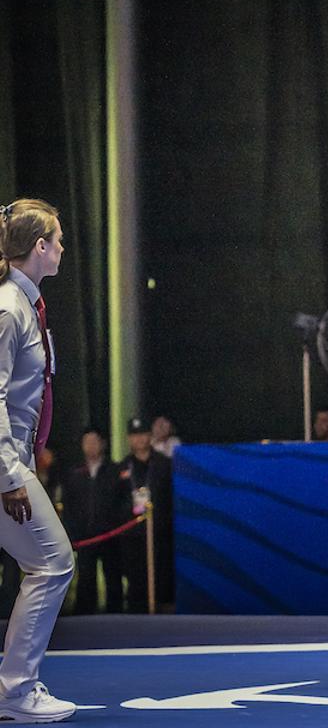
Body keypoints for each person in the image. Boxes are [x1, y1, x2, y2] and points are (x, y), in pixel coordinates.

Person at [0, 198, 76, 721]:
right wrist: (9, 475)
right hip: (5, 465)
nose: (63, 248)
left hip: (16, 456)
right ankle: (15, 692)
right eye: (57, 240)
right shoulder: (8, 309)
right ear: (38, 247)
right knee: (52, 563)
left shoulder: (27, 305)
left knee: (46, 564)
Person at [61, 427, 124, 614]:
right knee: (86, 576)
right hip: (85, 535)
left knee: (113, 575)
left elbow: (121, 501)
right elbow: (68, 504)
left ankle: (116, 613)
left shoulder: (114, 470)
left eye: (95, 441)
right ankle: (84, 614)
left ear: (103, 443)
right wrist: (71, 533)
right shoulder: (74, 473)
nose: (91, 446)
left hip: (110, 534)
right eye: (87, 442)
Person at [119, 416, 174, 612]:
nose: (139, 439)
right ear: (129, 439)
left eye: (143, 434)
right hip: (133, 536)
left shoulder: (165, 464)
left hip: (160, 535)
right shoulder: (123, 467)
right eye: (134, 435)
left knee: (162, 579)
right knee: (136, 582)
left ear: (149, 436)